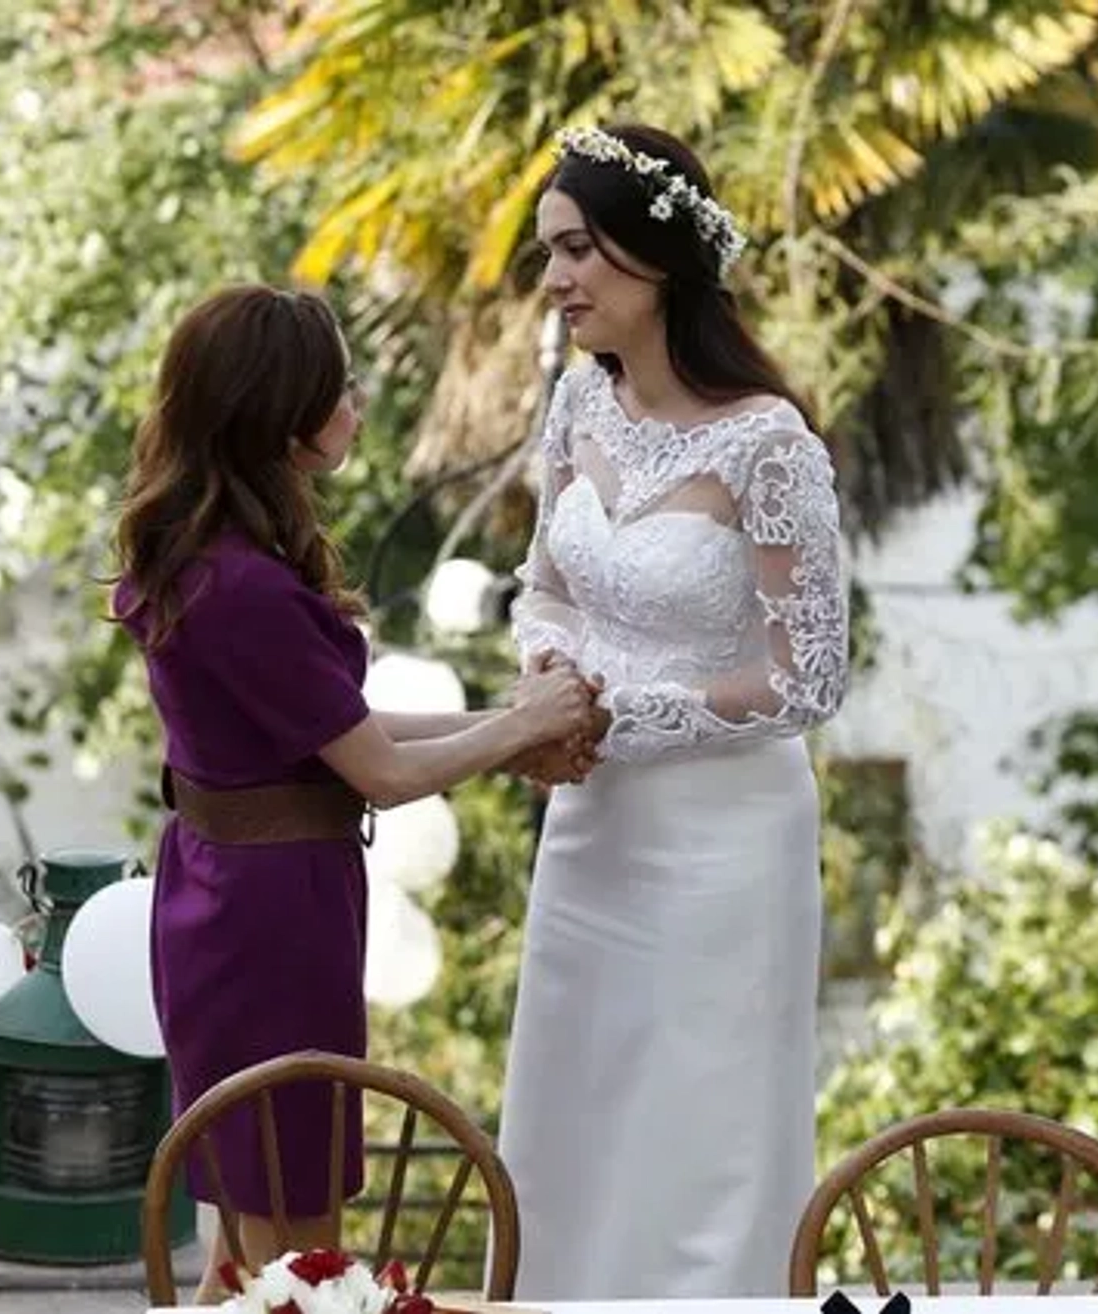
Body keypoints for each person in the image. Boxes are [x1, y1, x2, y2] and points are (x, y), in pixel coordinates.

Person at [111, 285, 598, 1302]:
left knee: (241, 1247)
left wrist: (511, 727)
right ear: (283, 417)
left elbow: (343, 740)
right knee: (296, 1245)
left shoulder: (211, 558)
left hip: (229, 893)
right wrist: (525, 724)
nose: (359, 400)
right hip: (270, 918)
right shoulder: (239, 585)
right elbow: (378, 771)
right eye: (342, 385)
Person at [494, 122, 849, 1299]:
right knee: (573, 1105)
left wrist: (612, 717)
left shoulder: (768, 445)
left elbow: (809, 677)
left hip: (725, 844)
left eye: (580, 252)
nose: (557, 282)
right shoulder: (576, 410)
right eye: (550, 253)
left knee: (703, 1133)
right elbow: (543, 585)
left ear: (657, 258)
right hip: (592, 829)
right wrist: (549, 677)